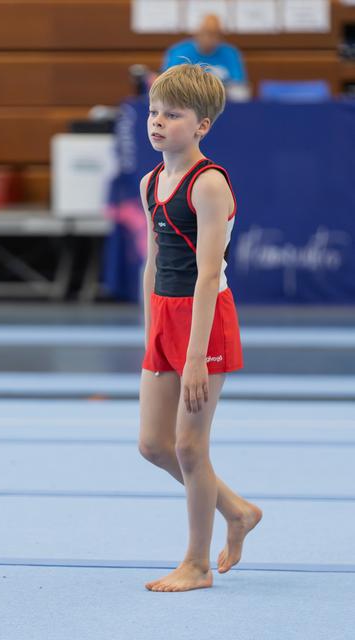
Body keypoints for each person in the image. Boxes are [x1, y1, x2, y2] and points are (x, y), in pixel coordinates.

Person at [138, 63, 262, 592]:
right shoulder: (151, 181)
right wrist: (151, 334)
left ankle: (196, 563)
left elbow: (208, 273)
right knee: (153, 445)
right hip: (166, 315)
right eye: (153, 112)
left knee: (190, 446)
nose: (158, 122)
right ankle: (236, 510)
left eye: (173, 114)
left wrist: (192, 356)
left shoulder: (208, 184)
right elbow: (153, 261)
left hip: (204, 318)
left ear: (202, 125)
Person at [162, 14, 247, 86]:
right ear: (197, 32)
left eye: (215, 33)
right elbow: (167, 83)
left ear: (221, 35)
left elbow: (239, 85)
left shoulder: (231, 53)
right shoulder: (178, 52)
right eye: (206, 32)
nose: (209, 38)